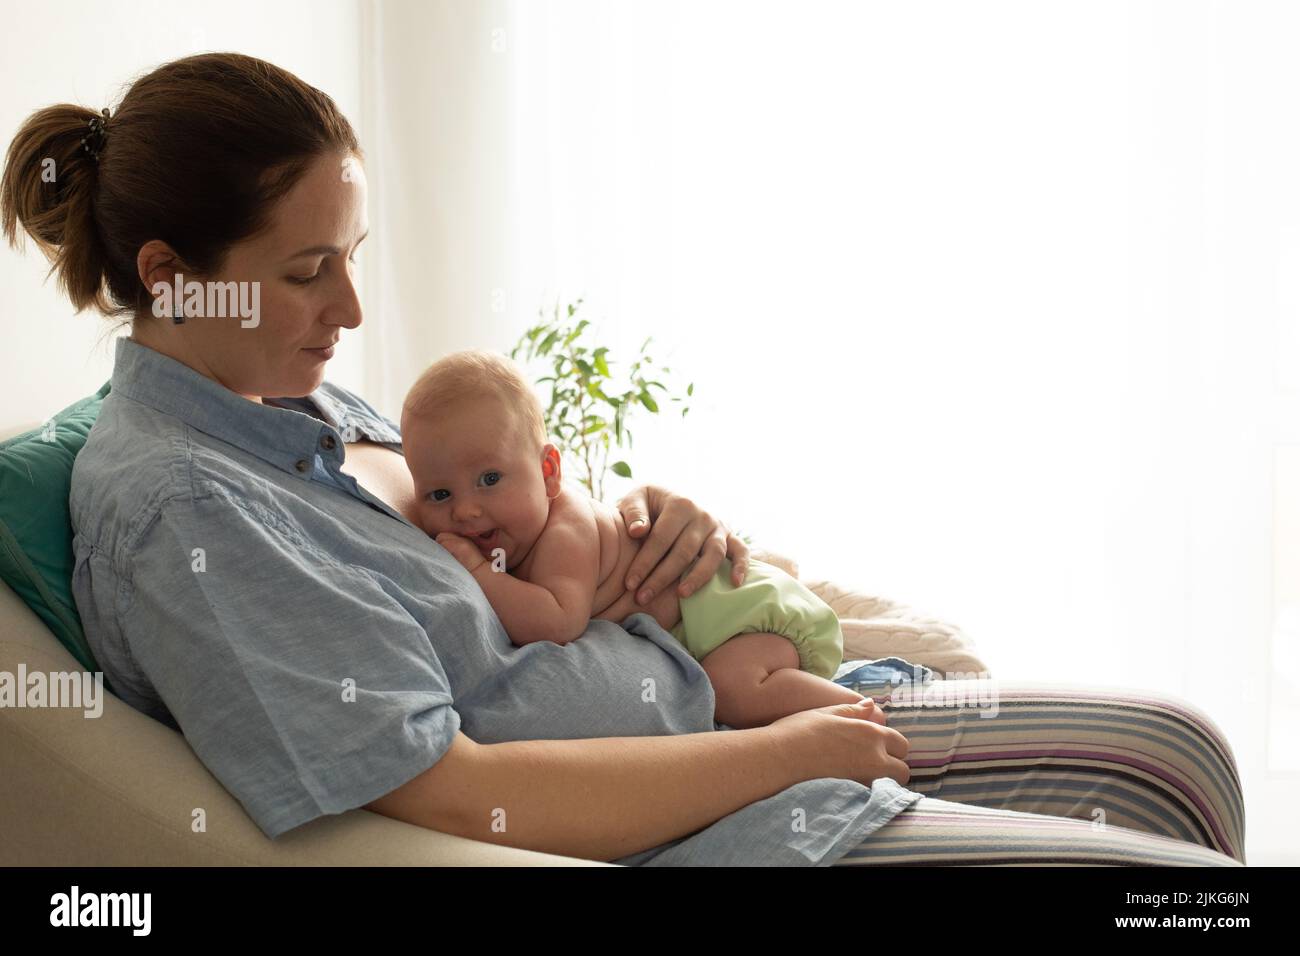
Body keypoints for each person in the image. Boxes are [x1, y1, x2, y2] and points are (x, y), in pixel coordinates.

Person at [0, 52, 1245, 866]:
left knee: (1174, 753)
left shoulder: (305, 406)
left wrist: (641, 528)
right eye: (308, 269)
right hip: (716, 817)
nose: (356, 310)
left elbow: (526, 531)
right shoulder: (181, 511)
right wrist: (789, 752)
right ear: (170, 276)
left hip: (716, 703)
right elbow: (447, 790)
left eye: (354, 251)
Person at [400, 347, 866, 730]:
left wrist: (478, 571)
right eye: (439, 494)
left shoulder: (567, 530)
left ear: (548, 472)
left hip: (736, 616)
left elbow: (557, 623)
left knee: (730, 690)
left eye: (488, 479)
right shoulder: (514, 535)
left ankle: (858, 715)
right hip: (720, 624)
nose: (464, 510)